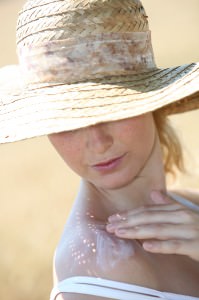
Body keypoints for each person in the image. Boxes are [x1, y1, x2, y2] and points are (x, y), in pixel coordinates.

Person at [0, 0, 199, 299]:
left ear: (150, 98)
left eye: (114, 108)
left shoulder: (190, 209)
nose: (98, 142)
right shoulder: (93, 273)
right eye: (67, 120)